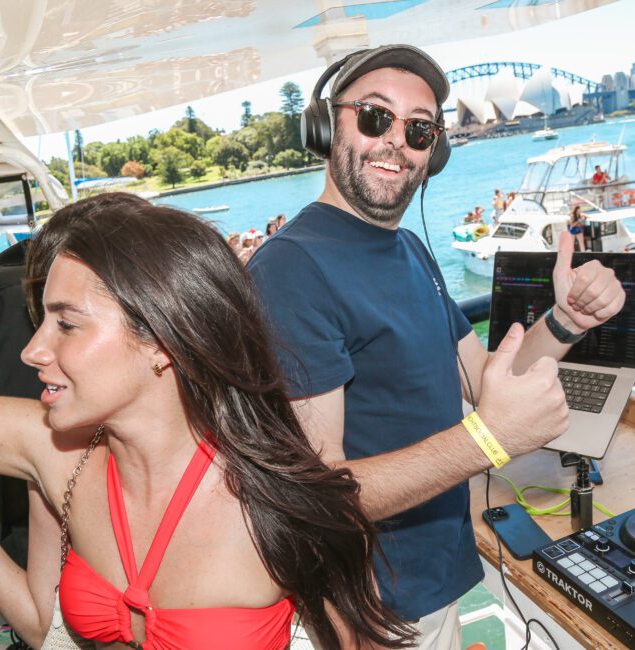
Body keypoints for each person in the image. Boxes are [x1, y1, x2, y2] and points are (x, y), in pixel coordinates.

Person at [248, 44, 625, 648]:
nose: (397, 141)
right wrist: (488, 439)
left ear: (435, 152)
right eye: (375, 116)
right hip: (373, 610)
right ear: (326, 126)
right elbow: (316, 494)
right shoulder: (290, 270)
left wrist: (565, 321)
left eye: (419, 129)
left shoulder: (410, 250)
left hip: (430, 577)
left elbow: (483, 382)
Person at [0, 193, 416, 649]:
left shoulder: (281, 508)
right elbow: (44, 629)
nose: (32, 351)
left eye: (66, 325)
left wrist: (486, 436)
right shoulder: (58, 453)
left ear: (159, 340)